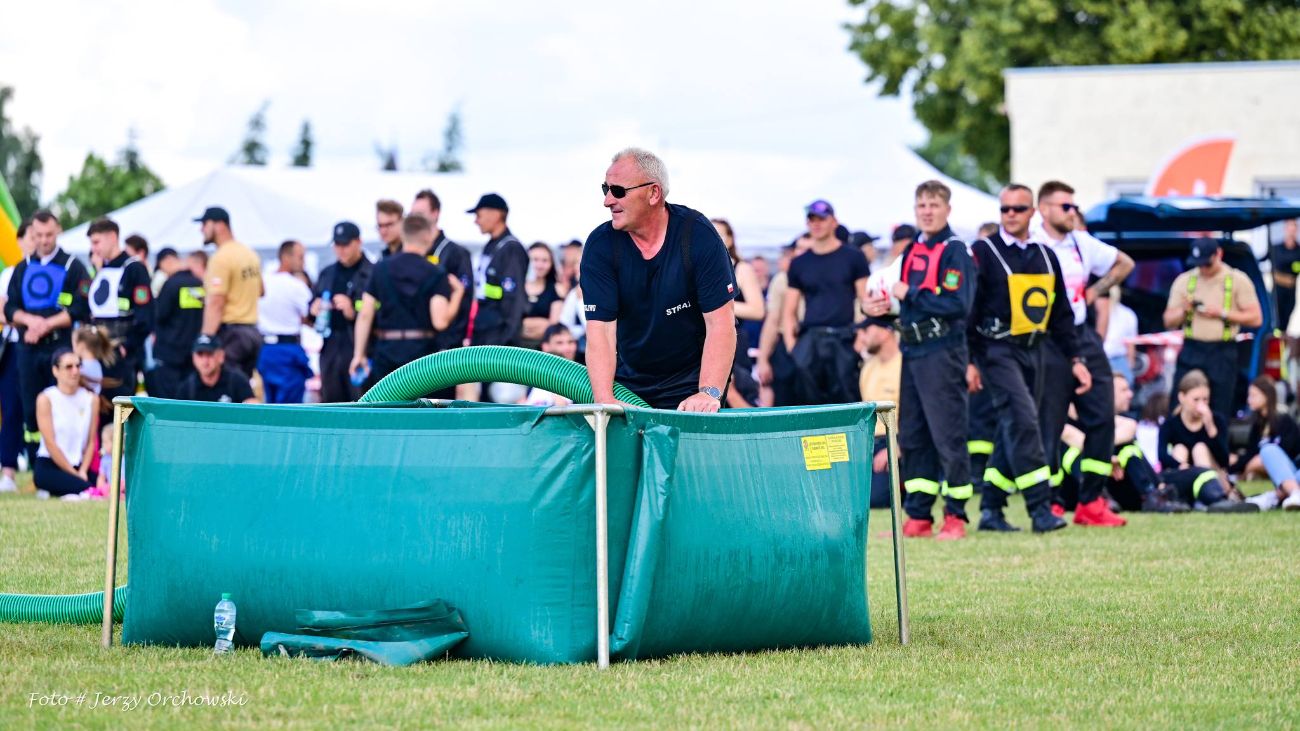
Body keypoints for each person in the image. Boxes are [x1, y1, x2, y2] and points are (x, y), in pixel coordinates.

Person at [967, 184, 1090, 534]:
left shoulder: (1045, 256)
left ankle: (991, 508)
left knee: (1017, 424)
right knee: (1023, 421)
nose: (1009, 215)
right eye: (1004, 209)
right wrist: (970, 361)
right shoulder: (984, 251)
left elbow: (1062, 314)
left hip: (1035, 351)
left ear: (1032, 212)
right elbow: (969, 312)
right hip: (996, 350)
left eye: (1017, 209)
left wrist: (1076, 359)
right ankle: (1039, 507)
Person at [581, 147, 737, 411]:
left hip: (691, 382)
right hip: (628, 382)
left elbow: (721, 324)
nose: (607, 201)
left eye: (618, 191)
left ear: (653, 193)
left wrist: (709, 393)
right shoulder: (600, 245)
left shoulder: (697, 235)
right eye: (605, 189)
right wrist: (604, 401)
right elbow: (601, 332)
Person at [866, 181, 976, 539]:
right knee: (913, 436)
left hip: (943, 350)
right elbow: (903, 304)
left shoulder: (955, 250)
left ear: (947, 209)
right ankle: (918, 516)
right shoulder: (913, 248)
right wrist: (879, 311)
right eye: (921, 205)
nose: (927, 211)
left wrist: (908, 293)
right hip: (912, 350)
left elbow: (958, 304)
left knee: (948, 435)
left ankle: (956, 516)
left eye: (934, 204)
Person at [1033, 180, 1134, 524]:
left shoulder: (1080, 242)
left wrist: (1095, 291)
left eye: (1074, 206)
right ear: (1044, 209)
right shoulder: (1033, 242)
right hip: (1046, 338)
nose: (1073, 212)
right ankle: (1051, 501)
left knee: (1103, 414)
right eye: (1066, 206)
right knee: (1050, 421)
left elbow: (1124, 264)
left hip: (1081, 335)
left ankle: (1092, 501)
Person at [5, 210, 93, 463]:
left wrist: (47, 325)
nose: (44, 240)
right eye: (39, 235)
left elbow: (81, 306)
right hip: (28, 349)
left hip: (60, 348)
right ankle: (36, 464)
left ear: (58, 231)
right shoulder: (22, 268)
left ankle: (62, 463)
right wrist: (30, 321)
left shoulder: (73, 266)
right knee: (30, 407)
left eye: (49, 234)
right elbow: (11, 308)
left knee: (60, 405)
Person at [350, 215, 465, 389]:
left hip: (386, 354)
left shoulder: (380, 269)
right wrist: (458, 294)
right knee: (421, 414)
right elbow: (440, 322)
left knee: (387, 413)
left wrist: (359, 354)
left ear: (403, 235)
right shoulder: (436, 273)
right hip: (423, 360)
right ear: (428, 236)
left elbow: (365, 314)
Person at [781, 200, 870, 406]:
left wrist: (860, 339)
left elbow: (866, 301)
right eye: (811, 219)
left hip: (844, 339)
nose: (816, 223)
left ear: (834, 221)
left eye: (821, 218)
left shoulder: (853, 257)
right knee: (809, 407)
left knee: (847, 404)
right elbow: (789, 310)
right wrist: (792, 347)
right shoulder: (799, 263)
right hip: (810, 340)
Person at [1162, 237, 1262, 419]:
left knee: (1219, 407)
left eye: (1207, 264)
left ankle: (1215, 444)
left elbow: (1256, 318)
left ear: (1219, 255)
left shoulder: (1237, 280)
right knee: (1180, 404)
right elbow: (1168, 320)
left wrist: (1223, 313)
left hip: (1222, 350)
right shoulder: (1185, 281)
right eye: (1199, 265)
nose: (1203, 269)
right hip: (1192, 348)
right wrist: (1185, 310)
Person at [1068, 374, 1190, 513]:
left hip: (1118, 482)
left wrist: (1103, 451)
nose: (1130, 394)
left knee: (1129, 448)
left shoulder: (1109, 419)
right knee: (1072, 453)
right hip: (1072, 491)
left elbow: (1130, 427)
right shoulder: (1061, 420)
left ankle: (1152, 494)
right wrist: (1104, 455)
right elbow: (1073, 437)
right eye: (1123, 390)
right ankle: (1097, 497)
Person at [1158, 369, 1255, 512]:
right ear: (1182, 397)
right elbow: (1162, 455)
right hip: (1184, 475)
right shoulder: (1171, 424)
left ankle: (1210, 495)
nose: (1201, 405)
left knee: (1200, 448)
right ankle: (1186, 498)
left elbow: (1224, 461)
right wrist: (1181, 465)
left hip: (1214, 476)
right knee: (1180, 449)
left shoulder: (1216, 421)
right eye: (1196, 400)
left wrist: (1210, 428)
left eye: (1205, 400)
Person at [86, 217, 154, 400]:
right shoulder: (99, 269)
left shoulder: (134, 269)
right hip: (96, 351)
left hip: (122, 355)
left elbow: (145, 316)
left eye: (96, 242)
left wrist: (127, 346)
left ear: (113, 237)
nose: (94, 249)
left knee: (119, 409)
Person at [196, 206, 264, 379]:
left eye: (205, 223)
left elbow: (216, 303)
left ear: (219, 225)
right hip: (253, 333)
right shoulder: (250, 253)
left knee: (225, 392)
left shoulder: (221, 258)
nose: (201, 229)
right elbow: (261, 291)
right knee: (242, 392)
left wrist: (205, 342)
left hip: (232, 335)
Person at [311, 221, 374, 403]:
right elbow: (310, 310)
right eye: (337, 245)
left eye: (345, 245)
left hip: (360, 348)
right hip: (330, 348)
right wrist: (313, 309)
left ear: (358, 242)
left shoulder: (371, 273)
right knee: (331, 403)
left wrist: (353, 309)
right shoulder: (327, 273)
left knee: (361, 402)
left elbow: (380, 312)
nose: (341, 250)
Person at [411, 189, 473, 354]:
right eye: (413, 214)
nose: (416, 219)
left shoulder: (455, 254)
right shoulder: (410, 252)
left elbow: (464, 300)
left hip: (445, 348)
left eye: (420, 213)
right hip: (415, 345)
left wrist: (450, 345)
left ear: (435, 213)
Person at [32, 348, 98, 499]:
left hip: (79, 464)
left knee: (101, 485)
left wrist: (82, 470)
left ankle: (69, 489)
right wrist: (75, 474)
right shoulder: (46, 398)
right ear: (55, 371)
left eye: (78, 366)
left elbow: (90, 442)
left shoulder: (92, 399)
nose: (75, 371)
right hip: (50, 464)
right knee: (87, 489)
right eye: (69, 367)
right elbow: (50, 443)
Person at [713, 218, 765, 408]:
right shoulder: (700, 268)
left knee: (736, 392)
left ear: (730, 239)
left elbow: (758, 310)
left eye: (719, 234)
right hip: (704, 341)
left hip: (734, 341)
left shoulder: (742, 269)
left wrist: (717, 304)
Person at [755, 235, 812, 407]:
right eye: (799, 249)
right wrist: (763, 359)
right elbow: (772, 321)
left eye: (807, 249)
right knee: (784, 404)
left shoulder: (829, 277)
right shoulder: (782, 279)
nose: (802, 254)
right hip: (785, 351)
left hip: (815, 344)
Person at [467, 193, 529, 351]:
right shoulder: (492, 246)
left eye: (479, 215)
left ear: (496, 214)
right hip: (484, 330)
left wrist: (507, 341)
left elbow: (514, 300)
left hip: (498, 337)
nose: (475, 221)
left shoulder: (511, 248)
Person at [0, 220, 35, 492]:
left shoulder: (55, 270)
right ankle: (8, 470)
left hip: (47, 347)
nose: (35, 242)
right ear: (20, 241)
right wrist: (28, 321)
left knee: (41, 408)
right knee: (12, 407)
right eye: (29, 237)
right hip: (15, 347)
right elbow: (2, 311)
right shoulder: (10, 274)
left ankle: (42, 469)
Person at [257, 240, 314, 404]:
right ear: (286, 257)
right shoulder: (296, 286)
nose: (303, 262)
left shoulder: (263, 282)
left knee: (270, 405)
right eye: (300, 257)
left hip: (266, 351)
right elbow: (312, 317)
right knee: (291, 410)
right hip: (288, 352)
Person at [149, 250, 207, 398]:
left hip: (170, 351)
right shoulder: (198, 283)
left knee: (170, 397)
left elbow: (159, 315)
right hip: (193, 350)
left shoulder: (171, 284)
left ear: (167, 261)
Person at [857, 316, 901, 509]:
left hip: (896, 441)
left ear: (885, 332)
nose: (862, 336)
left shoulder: (905, 364)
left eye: (867, 330)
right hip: (869, 442)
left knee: (875, 500)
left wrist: (896, 449)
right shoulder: (868, 367)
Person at [1240, 375, 1300, 511]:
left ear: (1266, 396)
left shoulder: (1285, 419)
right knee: (1268, 450)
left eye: (1253, 396)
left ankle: (1277, 496)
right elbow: (1252, 453)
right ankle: (1293, 493)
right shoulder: (1257, 424)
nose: (1249, 400)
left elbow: (1290, 451)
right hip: (1286, 472)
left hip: (1293, 470)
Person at [180, 334, 257, 403]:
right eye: (200, 355)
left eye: (209, 354)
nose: (205, 361)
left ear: (221, 356)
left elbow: (253, 409)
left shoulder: (237, 381)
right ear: (193, 358)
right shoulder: (187, 388)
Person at [520, 324, 579, 407]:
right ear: (545, 347)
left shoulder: (583, 376)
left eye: (570, 342)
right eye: (559, 343)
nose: (567, 348)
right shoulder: (534, 376)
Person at [520, 243, 564, 348]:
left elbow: (553, 326)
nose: (539, 265)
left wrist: (523, 324)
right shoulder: (516, 287)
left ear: (551, 263)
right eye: (535, 260)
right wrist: (542, 323)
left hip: (543, 351)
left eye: (545, 261)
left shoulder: (557, 289)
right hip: (514, 347)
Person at [1269, 218, 1299, 328]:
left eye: (1294, 227)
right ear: (1285, 229)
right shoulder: (1275, 248)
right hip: (1277, 293)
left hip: (1291, 293)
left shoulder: (1298, 251)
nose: (1291, 230)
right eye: (1289, 227)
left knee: (1285, 324)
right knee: (1275, 321)